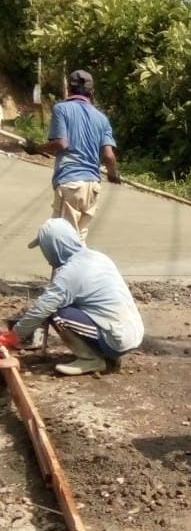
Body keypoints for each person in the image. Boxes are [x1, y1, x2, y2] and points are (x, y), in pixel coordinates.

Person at [2, 218, 144, 375]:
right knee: (64, 305)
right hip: (131, 331)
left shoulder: (70, 273)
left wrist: (13, 336)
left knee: (54, 312)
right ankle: (106, 354)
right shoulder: (97, 257)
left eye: (45, 248)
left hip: (116, 339)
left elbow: (42, 308)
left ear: (54, 247)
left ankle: (91, 359)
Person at [24, 70, 120, 244]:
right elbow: (109, 156)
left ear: (69, 89)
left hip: (71, 183)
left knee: (63, 240)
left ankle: (57, 259)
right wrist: (113, 174)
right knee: (78, 237)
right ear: (92, 92)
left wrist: (36, 148)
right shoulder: (102, 119)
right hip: (92, 186)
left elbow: (61, 144)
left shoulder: (62, 109)